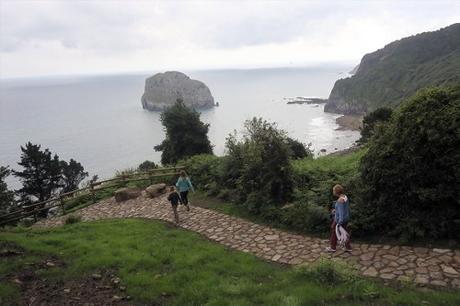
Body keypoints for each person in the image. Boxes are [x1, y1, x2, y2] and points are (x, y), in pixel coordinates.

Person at [325, 184, 352, 253]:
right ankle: (348, 247)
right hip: (345, 219)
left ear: (336, 192)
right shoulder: (345, 197)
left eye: (333, 190)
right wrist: (336, 210)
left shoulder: (340, 200)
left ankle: (332, 247)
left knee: (334, 231)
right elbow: (345, 209)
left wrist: (339, 223)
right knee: (344, 233)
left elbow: (341, 213)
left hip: (340, 220)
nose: (333, 191)